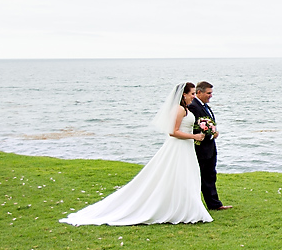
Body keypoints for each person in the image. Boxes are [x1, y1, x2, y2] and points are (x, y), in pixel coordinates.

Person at [60, 83, 213, 226]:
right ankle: (180, 208)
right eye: (192, 94)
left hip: (186, 147)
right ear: (183, 94)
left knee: (186, 176)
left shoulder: (186, 109)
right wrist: (194, 137)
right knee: (176, 174)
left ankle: (186, 207)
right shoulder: (179, 109)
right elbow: (173, 132)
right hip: (179, 146)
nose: (193, 96)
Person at [188, 81, 231, 210]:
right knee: (204, 176)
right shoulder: (194, 107)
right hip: (201, 148)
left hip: (210, 147)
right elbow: (194, 129)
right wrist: (211, 135)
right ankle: (210, 204)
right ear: (199, 92)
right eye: (208, 93)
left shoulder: (205, 106)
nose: (211, 96)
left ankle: (214, 203)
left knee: (210, 175)